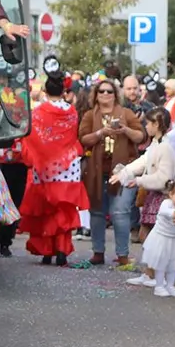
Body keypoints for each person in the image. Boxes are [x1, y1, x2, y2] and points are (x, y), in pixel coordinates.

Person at [19, 71, 88, 266]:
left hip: (45, 164)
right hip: (68, 164)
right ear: (63, 90)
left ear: (45, 90)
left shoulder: (38, 112)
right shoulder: (72, 112)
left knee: (46, 207)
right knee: (64, 207)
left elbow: (32, 137)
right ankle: (62, 250)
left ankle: (46, 251)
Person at [78, 78, 145, 265]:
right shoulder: (90, 116)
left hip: (123, 170)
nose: (105, 94)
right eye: (102, 91)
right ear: (96, 96)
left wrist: (125, 131)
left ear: (116, 95)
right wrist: (100, 133)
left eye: (109, 91)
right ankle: (98, 252)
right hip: (97, 171)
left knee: (120, 212)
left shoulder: (126, 113)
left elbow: (141, 136)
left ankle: (122, 255)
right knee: (97, 212)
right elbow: (83, 138)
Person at [110, 106, 175, 273]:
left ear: (156, 124)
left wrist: (138, 179)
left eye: (148, 123)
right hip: (154, 196)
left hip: (162, 197)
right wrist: (125, 173)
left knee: (155, 239)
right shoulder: (157, 144)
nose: (146, 127)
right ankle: (152, 273)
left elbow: (164, 177)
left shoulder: (165, 147)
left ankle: (157, 274)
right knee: (148, 237)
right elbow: (143, 161)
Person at [133, 179, 175, 298]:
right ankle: (159, 286)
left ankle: (170, 285)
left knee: (172, 264)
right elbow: (164, 211)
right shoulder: (166, 204)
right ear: (171, 194)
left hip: (173, 240)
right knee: (161, 264)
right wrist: (173, 213)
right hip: (161, 238)